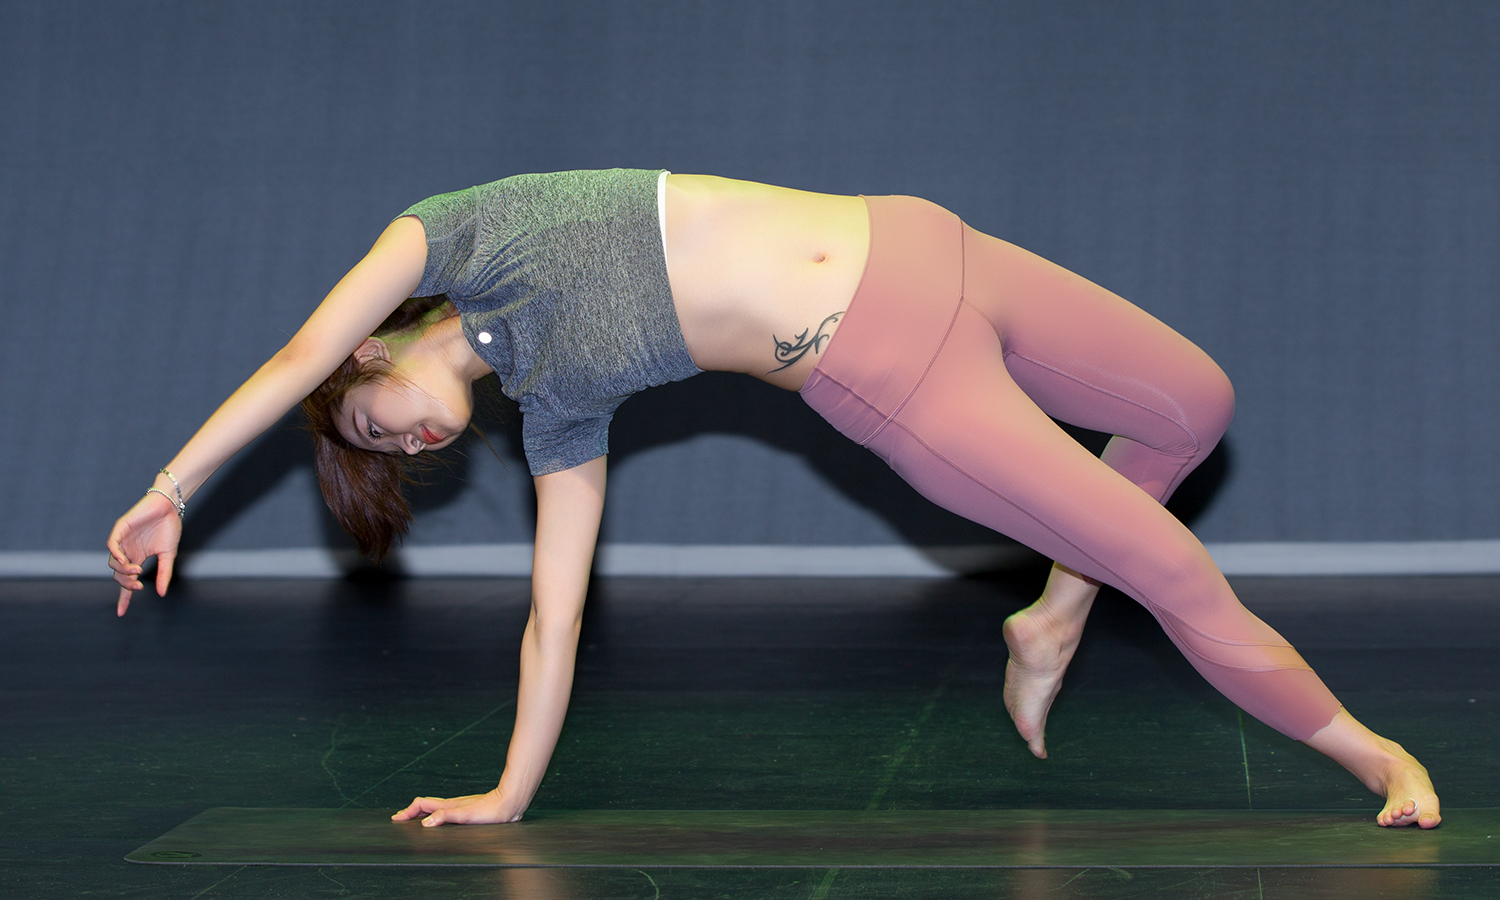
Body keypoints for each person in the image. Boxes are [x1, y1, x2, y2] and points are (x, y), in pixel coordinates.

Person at [106, 169, 1440, 830]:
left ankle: (1052, 617)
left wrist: (171, 488)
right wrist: (507, 794)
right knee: (1178, 574)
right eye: (389, 457)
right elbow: (553, 622)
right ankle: (1370, 755)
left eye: (370, 423)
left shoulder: (448, 231)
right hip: (898, 374)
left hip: (938, 248)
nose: (402, 444)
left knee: (1192, 402)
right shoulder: (559, 413)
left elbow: (292, 357)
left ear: (371, 353)